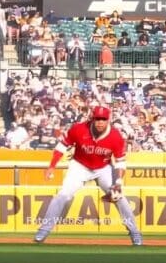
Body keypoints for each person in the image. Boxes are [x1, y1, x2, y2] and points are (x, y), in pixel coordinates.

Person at [34, 105, 142, 245]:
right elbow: (61, 147)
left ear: (108, 120)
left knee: (119, 197)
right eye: (97, 118)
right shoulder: (79, 129)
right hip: (80, 165)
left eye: (103, 119)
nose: (100, 122)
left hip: (103, 167)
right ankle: (44, 230)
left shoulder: (115, 136)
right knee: (63, 195)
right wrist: (51, 166)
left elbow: (120, 162)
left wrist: (119, 182)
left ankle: (135, 233)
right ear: (92, 118)